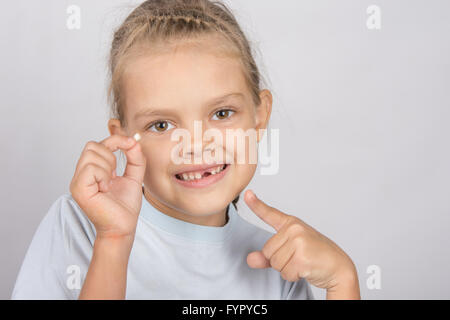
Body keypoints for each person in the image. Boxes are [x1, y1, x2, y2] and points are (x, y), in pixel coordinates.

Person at [11, 0, 360, 300]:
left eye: (221, 113)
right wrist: (113, 240)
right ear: (123, 138)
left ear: (259, 117)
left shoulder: (278, 262)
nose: (195, 144)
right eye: (162, 125)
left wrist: (342, 281)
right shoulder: (78, 226)